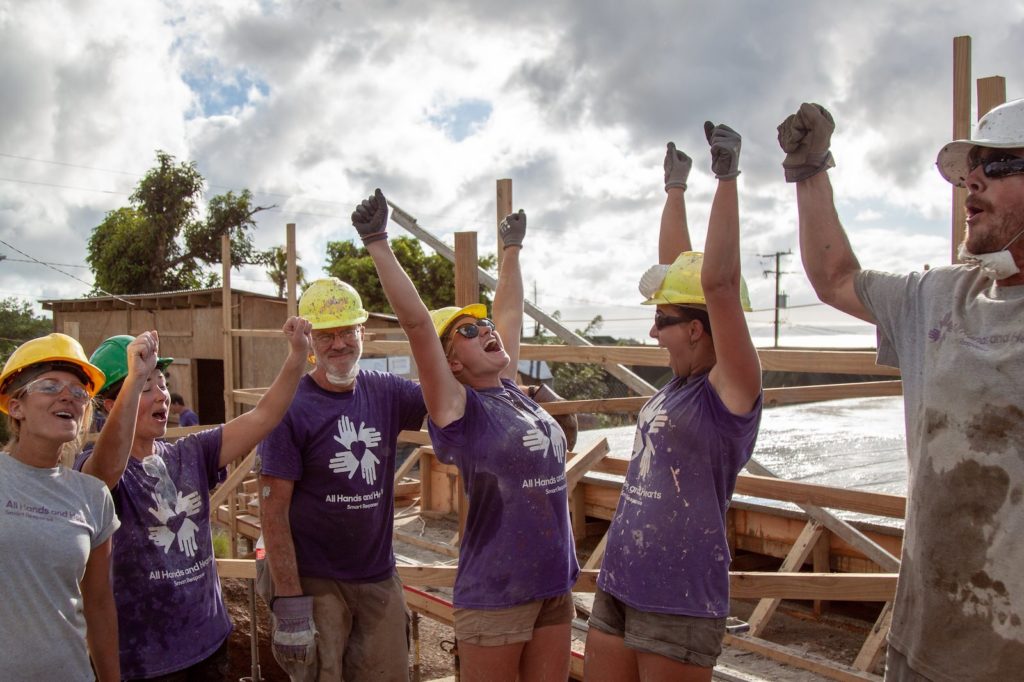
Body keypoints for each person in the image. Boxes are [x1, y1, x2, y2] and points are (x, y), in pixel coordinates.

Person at [776, 100, 1024, 680]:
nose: (973, 179)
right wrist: (809, 171)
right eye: (971, 168)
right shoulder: (938, 298)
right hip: (924, 647)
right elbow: (835, 278)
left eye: (1000, 164)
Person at [355, 189, 579, 682]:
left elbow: (511, 312)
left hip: (553, 586)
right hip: (497, 593)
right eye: (468, 332)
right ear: (452, 362)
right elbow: (417, 326)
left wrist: (512, 250)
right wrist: (378, 242)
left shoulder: (513, 391)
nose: (485, 330)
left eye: (482, 324)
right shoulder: (459, 407)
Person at [584, 125, 763, 682]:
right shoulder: (680, 383)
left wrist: (726, 178)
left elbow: (718, 286)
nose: (653, 329)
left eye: (663, 321)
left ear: (697, 330)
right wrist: (675, 189)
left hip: (679, 598)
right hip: (621, 581)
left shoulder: (729, 389)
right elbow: (681, 267)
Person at [75, 318, 312, 680]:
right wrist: (135, 378)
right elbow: (103, 474)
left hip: (208, 646)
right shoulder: (94, 468)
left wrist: (297, 356)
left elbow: (264, 416)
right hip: (143, 663)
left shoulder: (191, 454)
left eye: (163, 384)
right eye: (146, 387)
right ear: (110, 403)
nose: (161, 395)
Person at [258, 277, 427, 681]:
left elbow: (444, 397)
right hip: (316, 580)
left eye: (347, 332)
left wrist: (516, 389)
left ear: (362, 332)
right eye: (326, 335)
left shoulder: (385, 392)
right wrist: (291, 603)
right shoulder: (291, 407)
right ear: (310, 341)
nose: (338, 345)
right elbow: (273, 509)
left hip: (377, 575)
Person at [0, 331, 157, 681]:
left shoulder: (92, 496)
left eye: (78, 392)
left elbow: (99, 606)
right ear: (16, 406)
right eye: (50, 386)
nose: (67, 397)